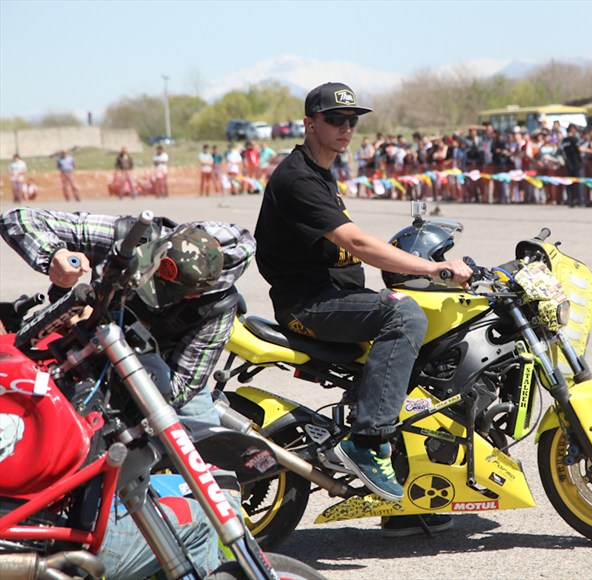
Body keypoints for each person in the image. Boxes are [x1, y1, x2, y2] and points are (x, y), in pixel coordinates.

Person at [254, 81, 472, 537]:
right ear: (310, 123)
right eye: (335, 119)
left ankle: (406, 500)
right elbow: (354, 241)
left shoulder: (321, 172)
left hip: (331, 298)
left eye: (352, 120)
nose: (346, 127)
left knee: (425, 349)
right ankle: (368, 441)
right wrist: (433, 270)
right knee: (404, 314)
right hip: (308, 306)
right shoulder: (297, 178)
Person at [0, 207, 256, 577]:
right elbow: (18, 218)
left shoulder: (217, 307)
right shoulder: (129, 236)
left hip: (151, 379)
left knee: (219, 495)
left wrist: (133, 380)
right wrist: (54, 255)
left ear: (191, 296)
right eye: (149, 274)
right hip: (71, 358)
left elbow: (181, 390)